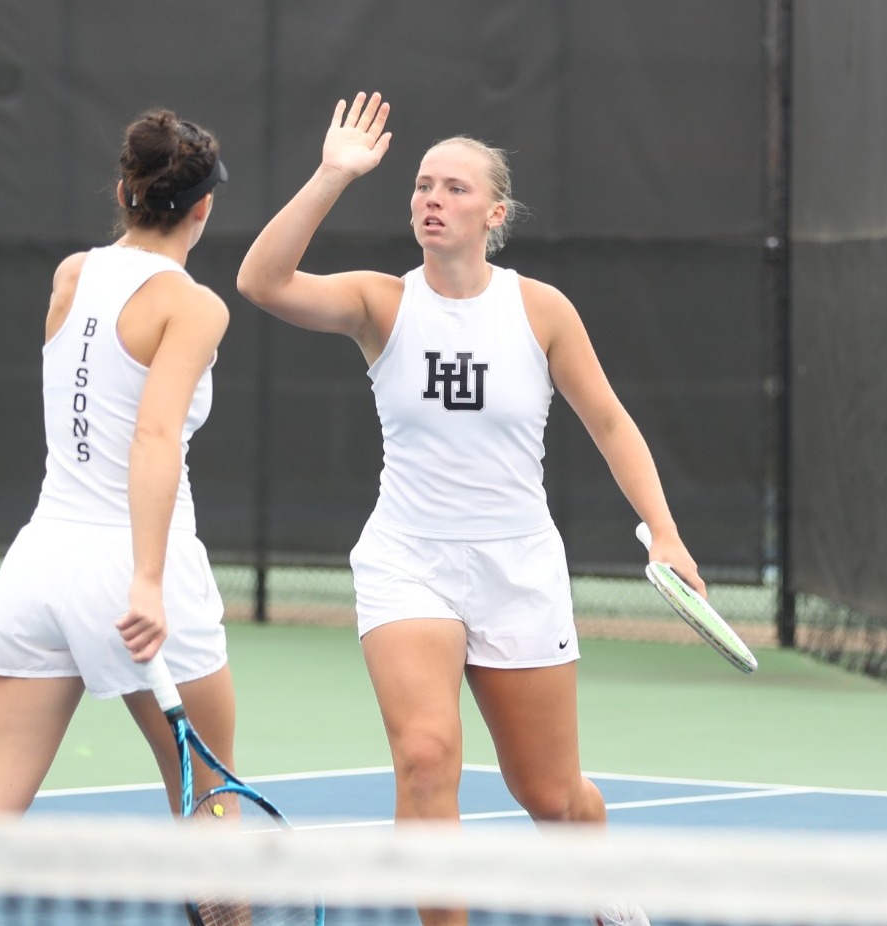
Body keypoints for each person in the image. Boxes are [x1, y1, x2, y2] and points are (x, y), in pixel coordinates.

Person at [236, 92, 700, 926]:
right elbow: (260, 282)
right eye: (420, 186)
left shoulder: (540, 309)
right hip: (408, 560)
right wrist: (331, 175)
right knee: (423, 759)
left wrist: (663, 533)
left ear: (494, 211)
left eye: (452, 188)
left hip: (517, 567)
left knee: (551, 796)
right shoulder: (380, 303)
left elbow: (608, 420)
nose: (430, 200)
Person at [0, 110, 232, 926]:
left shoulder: (72, 275)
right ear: (203, 209)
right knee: (215, 810)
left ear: (124, 191)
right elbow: (153, 437)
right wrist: (148, 581)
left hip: (41, 567)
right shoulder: (193, 307)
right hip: (135, 571)